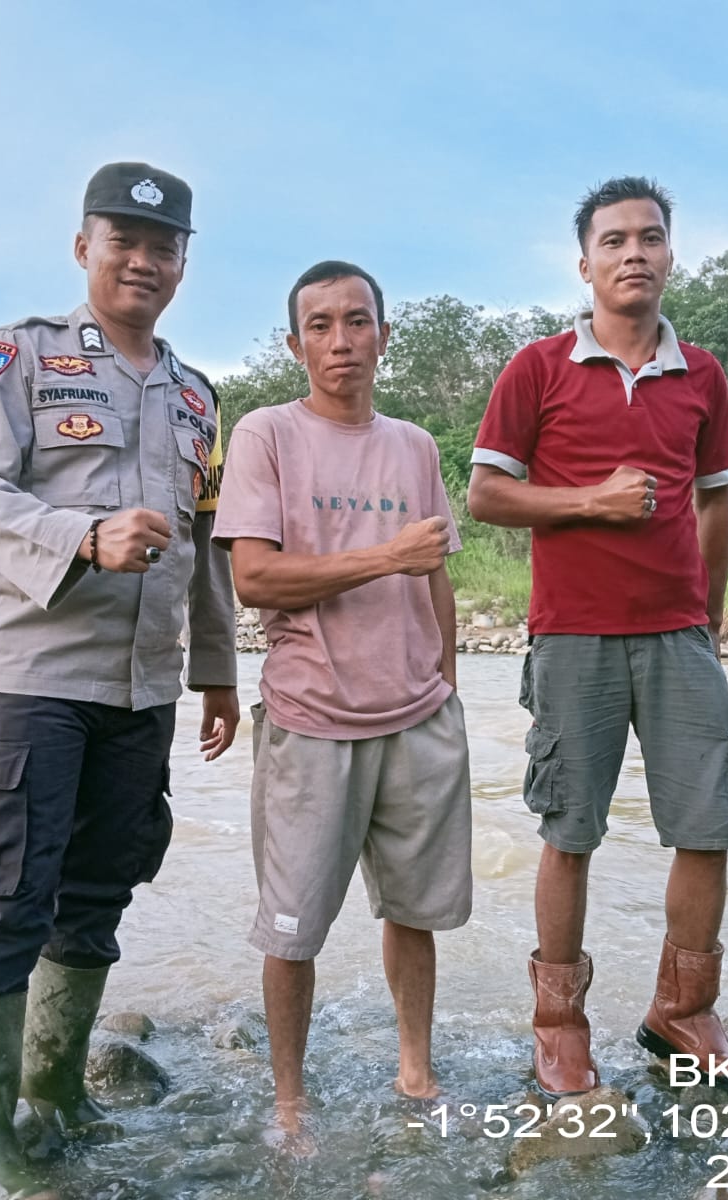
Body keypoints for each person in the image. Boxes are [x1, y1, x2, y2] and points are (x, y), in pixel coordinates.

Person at [0, 162, 240, 1198]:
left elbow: (203, 549)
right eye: (123, 242)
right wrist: (82, 535)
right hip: (34, 674)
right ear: (84, 249)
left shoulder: (197, 396)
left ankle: (55, 1093)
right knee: (5, 894)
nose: (144, 262)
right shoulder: (18, 356)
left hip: (142, 690)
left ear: (183, 264)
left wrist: (215, 675)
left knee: (101, 886)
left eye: (164, 249)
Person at [468, 178, 728, 1101]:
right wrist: (589, 500)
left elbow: (717, 498)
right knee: (570, 832)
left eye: (651, 237)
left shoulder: (702, 374)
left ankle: (683, 1011)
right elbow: (485, 496)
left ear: (671, 253)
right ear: (584, 261)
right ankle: (559, 1026)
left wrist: (706, 616)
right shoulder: (539, 368)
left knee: (708, 825)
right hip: (573, 637)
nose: (633, 253)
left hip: (680, 638)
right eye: (614, 240)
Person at [212, 260, 472, 1136]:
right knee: (292, 929)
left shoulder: (415, 445)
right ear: (294, 345)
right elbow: (255, 579)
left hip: (417, 716)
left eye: (357, 322)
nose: (341, 341)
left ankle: (415, 1071)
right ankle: (290, 1099)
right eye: (320, 326)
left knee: (414, 911)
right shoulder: (266, 435)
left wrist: (447, 685)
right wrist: (383, 558)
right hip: (311, 718)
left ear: (384, 336)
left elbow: (435, 571)